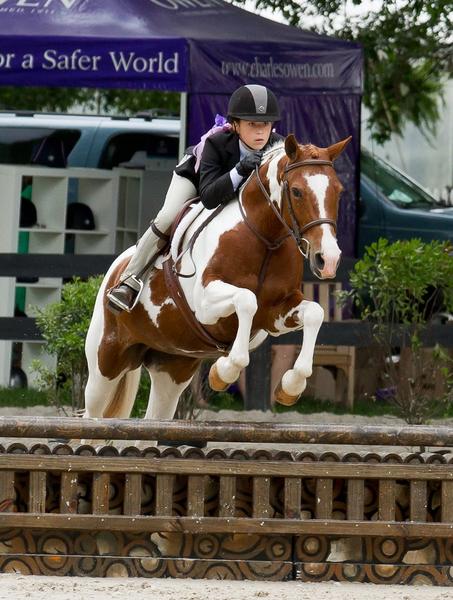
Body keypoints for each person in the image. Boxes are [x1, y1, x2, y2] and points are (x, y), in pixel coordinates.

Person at [107, 84, 283, 313]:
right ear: (235, 125)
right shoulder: (216, 143)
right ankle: (129, 279)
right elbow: (208, 198)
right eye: (252, 124)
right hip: (196, 178)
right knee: (168, 217)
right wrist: (239, 170)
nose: (260, 132)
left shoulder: (277, 147)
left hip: (232, 191)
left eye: (265, 124)